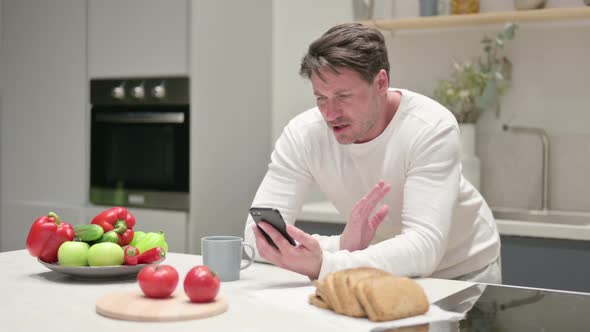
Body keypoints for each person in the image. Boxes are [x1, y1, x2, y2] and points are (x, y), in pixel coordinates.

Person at [243, 22, 501, 284]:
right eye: (321, 98)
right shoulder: (303, 134)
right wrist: (340, 245)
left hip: (463, 271)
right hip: (377, 270)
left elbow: (424, 247)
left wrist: (326, 263)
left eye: (343, 96)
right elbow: (257, 236)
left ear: (381, 82)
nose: (330, 113)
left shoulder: (430, 127)